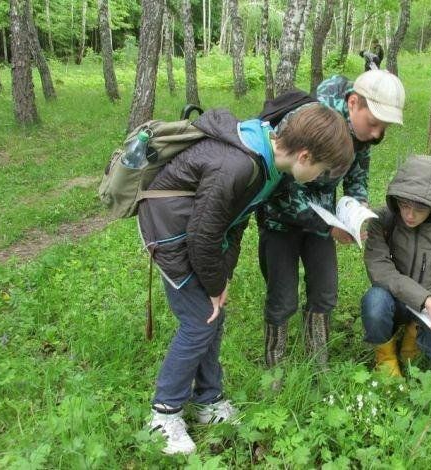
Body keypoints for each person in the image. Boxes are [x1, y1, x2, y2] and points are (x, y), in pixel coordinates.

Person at [138, 105, 354, 455]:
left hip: (196, 235)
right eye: (322, 170)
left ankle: (208, 400)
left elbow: (235, 222)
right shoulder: (239, 165)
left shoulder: (269, 166)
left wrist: (221, 279)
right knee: (198, 323)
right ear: (304, 155)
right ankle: (164, 414)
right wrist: (211, 285)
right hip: (170, 231)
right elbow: (202, 234)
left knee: (213, 317)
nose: (319, 178)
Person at [257, 69, 405, 372]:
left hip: (323, 221)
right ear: (353, 103)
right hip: (280, 223)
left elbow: (357, 174)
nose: (377, 134)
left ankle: (318, 363)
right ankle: (274, 368)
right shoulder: (307, 122)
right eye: (374, 123)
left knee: (325, 291)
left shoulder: (362, 135)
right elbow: (281, 189)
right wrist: (330, 226)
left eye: (384, 128)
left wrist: (357, 207)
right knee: (282, 296)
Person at [361, 155, 431, 377]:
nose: (409, 215)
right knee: (374, 301)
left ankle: (415, 334)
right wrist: (426, 301)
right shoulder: (381, 220)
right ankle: (386, 357)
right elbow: (382, 271)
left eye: (419, 210)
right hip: (396, 300)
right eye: (404, 206)